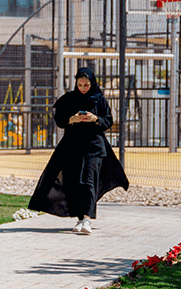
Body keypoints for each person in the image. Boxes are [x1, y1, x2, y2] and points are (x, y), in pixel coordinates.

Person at [28, 66, 128, 235]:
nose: (83, 88)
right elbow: (60, 120)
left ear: (92, 83)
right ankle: (80, 218)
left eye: (86, 85)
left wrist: (95, 119)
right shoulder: (69, 99)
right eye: (80, 85)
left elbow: (108, 120)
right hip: (72, 147)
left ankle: (87, 219)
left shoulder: (99, 99)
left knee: (89, 180)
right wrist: (72, 119)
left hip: (94, 146)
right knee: (75, 183)